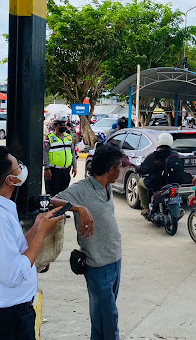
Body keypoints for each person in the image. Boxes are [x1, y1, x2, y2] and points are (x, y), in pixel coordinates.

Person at [0, 147, 65, 340]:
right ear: (10, 180)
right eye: (17, 166)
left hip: (12, 314)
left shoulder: (0, 210)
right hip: (5, 320)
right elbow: (13, 275)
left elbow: (16, 253)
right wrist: (42, 234)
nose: (22, 168)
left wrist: (36, 227)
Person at [52, 144, 124, 340]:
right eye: (119, 166)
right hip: (97, 262)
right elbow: (53, 201)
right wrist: (79, 209)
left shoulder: (107, 186)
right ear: (111, 169)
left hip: (115, 257)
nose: (121, 170)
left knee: (104, 315)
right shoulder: (82, 189)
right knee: (108, 316)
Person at [136, 132, 177, 216]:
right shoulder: (176, 155)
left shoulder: (153, 156)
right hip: (172, 183)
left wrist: (137, 170)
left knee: (140, 183)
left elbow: (143, 169)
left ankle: (145, 208)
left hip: (155, 183)